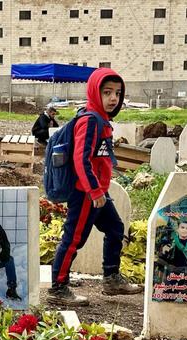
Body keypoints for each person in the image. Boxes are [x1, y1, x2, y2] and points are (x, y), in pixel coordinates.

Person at [48, 68, 142, 306]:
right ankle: (58, 288)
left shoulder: (101, 120)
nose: (113, 98)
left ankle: (111, 279)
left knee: (115, 228)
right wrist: (94, 191)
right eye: (107, 92)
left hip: (98, 192)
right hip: (85, 193)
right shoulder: (90, 120)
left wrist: (100, 190)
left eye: (118, 93)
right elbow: (81, 159)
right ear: (94, 92)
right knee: (73, 239)